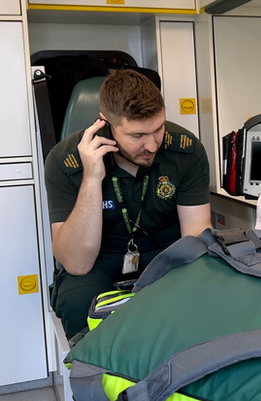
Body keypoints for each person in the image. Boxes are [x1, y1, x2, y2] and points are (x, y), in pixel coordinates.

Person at [44, 69, 211, 338]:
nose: (153, 145)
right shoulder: (65, 160)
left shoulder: (186, 150)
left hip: (167, 255)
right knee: (78, 302)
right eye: (137, 136)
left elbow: (195, 237)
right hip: (99, 262)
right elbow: (76, 264)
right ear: (106, 124)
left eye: (158, 129)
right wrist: (91, 178)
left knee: (206, 290)